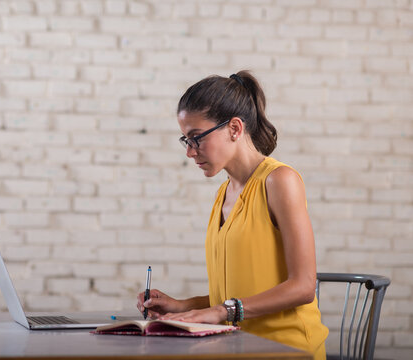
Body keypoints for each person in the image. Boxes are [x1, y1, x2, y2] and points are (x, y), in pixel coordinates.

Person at [137, 71, 328, 359]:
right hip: (235, 347)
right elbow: (238, 292)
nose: (190, 152)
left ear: (235, 128)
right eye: (185, 140)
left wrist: (220, 311)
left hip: (287, 350)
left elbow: (303, 286)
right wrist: (180, 306)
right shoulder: (223, 194)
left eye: (196, 137)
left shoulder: (279, 181)